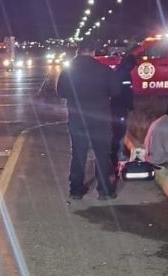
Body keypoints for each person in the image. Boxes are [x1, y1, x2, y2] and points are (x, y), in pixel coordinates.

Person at [56, 39, 120, 200]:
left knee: (78, 153)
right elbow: (116, 90)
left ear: (78, 51)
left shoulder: (68, 71)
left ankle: (76, 190)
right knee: (102, 153)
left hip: (77, 118)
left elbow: (61, 91)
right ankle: (104, 190)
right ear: (93, 52)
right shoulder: (104, 70)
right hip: (100, 118)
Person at [110, 49, 138, 169]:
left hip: (116, 107)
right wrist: (129, 105)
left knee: (117, 131)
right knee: (120, 132)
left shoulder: (119, 71)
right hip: (120, 108)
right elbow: (125, 92)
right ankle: (118, 154)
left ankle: (115, 153)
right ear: (130, 64)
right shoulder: (124, 74)